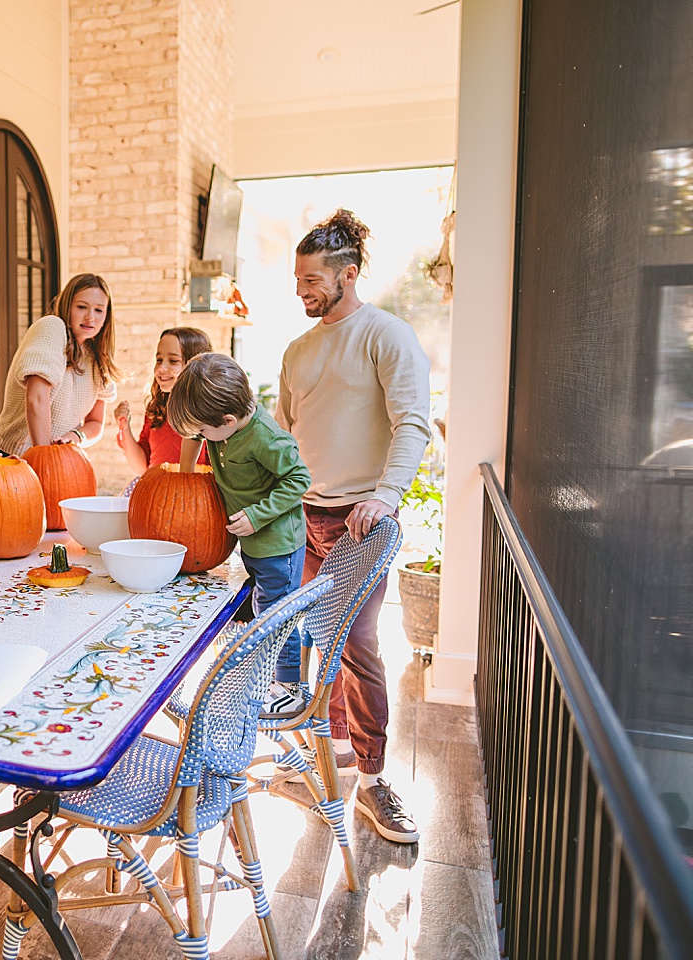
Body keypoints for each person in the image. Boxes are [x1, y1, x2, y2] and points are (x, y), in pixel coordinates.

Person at [277, 208, 431, 844]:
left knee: (358, 645)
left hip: (360, 521)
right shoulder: (297, 350)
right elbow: (286, 434)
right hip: (302, 516)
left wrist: (387, 497)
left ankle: (372, 781)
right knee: (317, 644)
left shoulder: (386, 335)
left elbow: (413, 422)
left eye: (313, 280)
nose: (303, 291)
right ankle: (333, 754)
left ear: (349, 272)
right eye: (299, 280)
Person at [170, 353, 311, 716]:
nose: (202, 438)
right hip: (254, 544)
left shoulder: (266, 439)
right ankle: (267, 672)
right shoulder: (224, 430)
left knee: (277, 616)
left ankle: (290, 686)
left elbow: (299, 480)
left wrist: (257, 514)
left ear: (228, 420)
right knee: (262, 607)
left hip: (277, 544)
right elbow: (201, 440)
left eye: (203, 431)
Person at [0, 274, 121, 454]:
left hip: (59, 459)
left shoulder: (98, 357)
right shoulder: (52, 327)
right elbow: (36, 399)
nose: (90, 317)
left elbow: (96, 423)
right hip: (17, 458)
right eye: (82, 307)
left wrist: (75, 436)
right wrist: (45, 457)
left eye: (99, 310)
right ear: (67, 306)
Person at [113, 326, 212, 478]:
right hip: (157, 490)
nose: (161, 368)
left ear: (196, 367)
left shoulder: (208, 416)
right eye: (159, 360)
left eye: (173, 361)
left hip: (193, 494)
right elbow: (143, 468)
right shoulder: (156, 410)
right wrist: (124, 427)